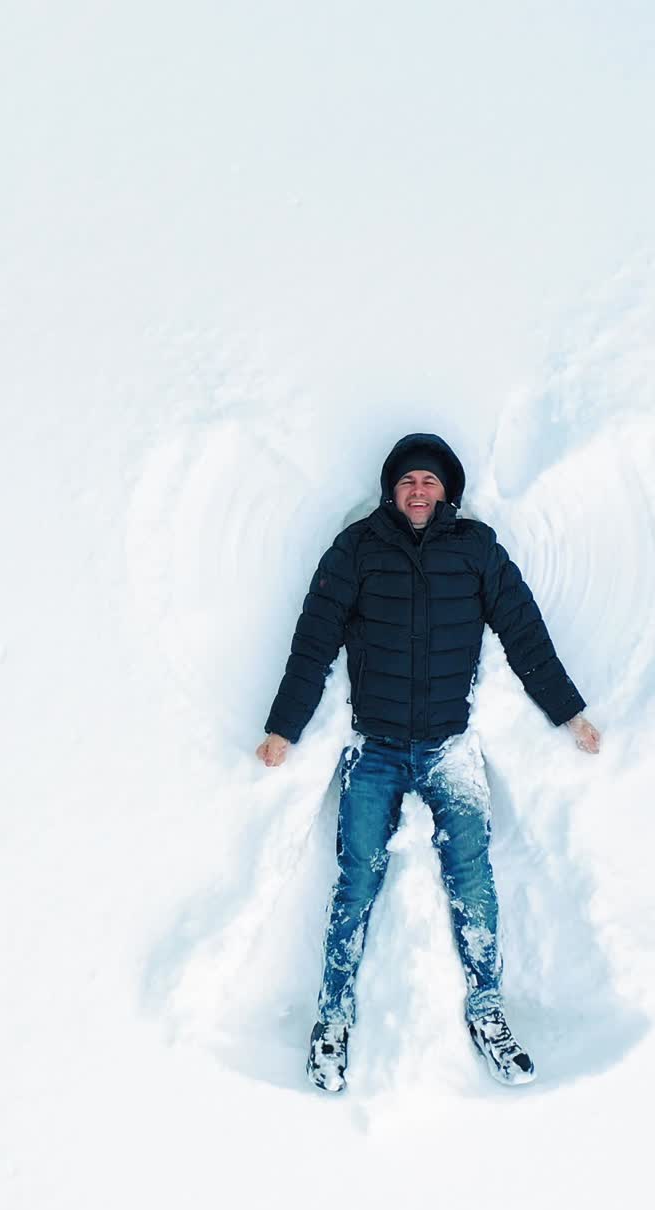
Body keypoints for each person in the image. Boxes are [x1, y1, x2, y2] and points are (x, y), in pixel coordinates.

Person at [255, 433, 601, 1092]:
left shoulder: (477, 552)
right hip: (374, 750)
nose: (419, 491)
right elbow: (313, 642)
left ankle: (488, 1010)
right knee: (356, 882)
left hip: (451, 749)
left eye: (430, 482)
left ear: (449, 492)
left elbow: (526, 634)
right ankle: (332, 1017)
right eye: (409, 481)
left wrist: (570, 714)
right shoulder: (356, 551)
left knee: (472, 879)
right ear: (393, 489)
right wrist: (282, 729)